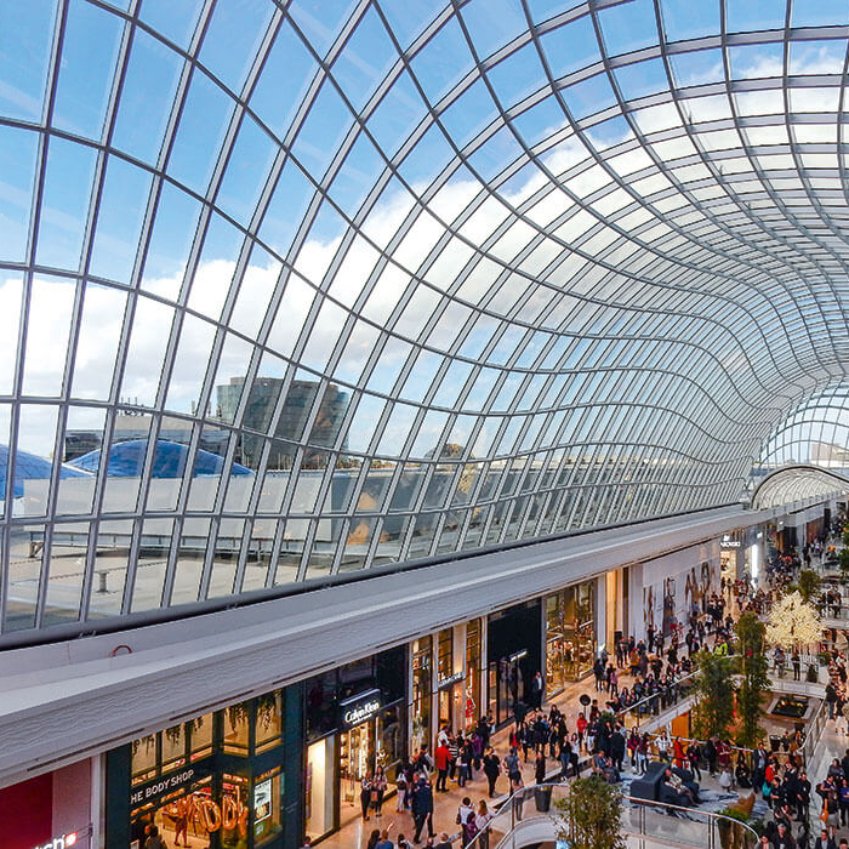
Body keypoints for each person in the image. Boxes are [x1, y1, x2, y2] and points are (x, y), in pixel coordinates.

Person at [412, 776, 435, 844]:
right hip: (427, 810)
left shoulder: (417, 791)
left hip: (421, 811)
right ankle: (430, 834)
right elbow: (429, 802)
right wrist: (429, 811)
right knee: (429, 823)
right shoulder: (428, 791)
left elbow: (414, 800)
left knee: (420, 825)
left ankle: (416, 838)